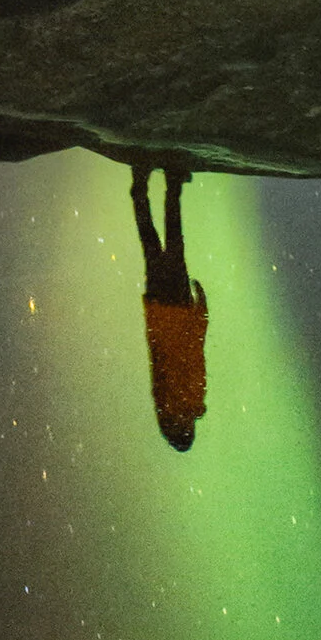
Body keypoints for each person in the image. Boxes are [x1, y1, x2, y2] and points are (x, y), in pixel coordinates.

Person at [130, 161, 209, 452]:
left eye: (186, 428)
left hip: (174, 308)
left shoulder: (182, 401)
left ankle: (167, 184)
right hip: (164, 311)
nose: (189, 424)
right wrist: (200, 311)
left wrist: (201, 311)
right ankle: (143, 187)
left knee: (170, 241)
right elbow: (193, 353)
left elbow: (192, 353)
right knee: (154, 244)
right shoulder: (171, 402)